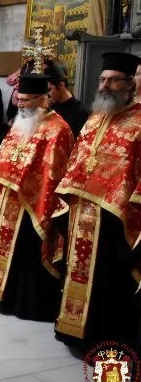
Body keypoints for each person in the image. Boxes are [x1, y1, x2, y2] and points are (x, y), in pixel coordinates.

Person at [54, 52, 141, 352]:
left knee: (109, 280)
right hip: (81, 210)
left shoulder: (139, 121)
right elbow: (78, 159)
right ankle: (74, 331)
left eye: (113, 80)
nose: (105, 86)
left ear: (129, 84)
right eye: (102, 79)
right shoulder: (94, 117)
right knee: (76, 269)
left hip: (115, 218)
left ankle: (105, 339)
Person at [0, 73, 73, 321]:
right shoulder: (20, 123)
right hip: (6, 199)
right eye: (19, 99)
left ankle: (26, 303)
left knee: (27, 252)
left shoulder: (58, 130)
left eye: (27, 100)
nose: (20, 104)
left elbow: (54, 174)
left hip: (32, 204)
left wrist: (25, 186)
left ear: (43, 99)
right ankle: (1, 295)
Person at [44, 61, 90, 138]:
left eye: (49, 90)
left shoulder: (81, 111)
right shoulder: (49, 108)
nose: (46, 95)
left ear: (61, 85)